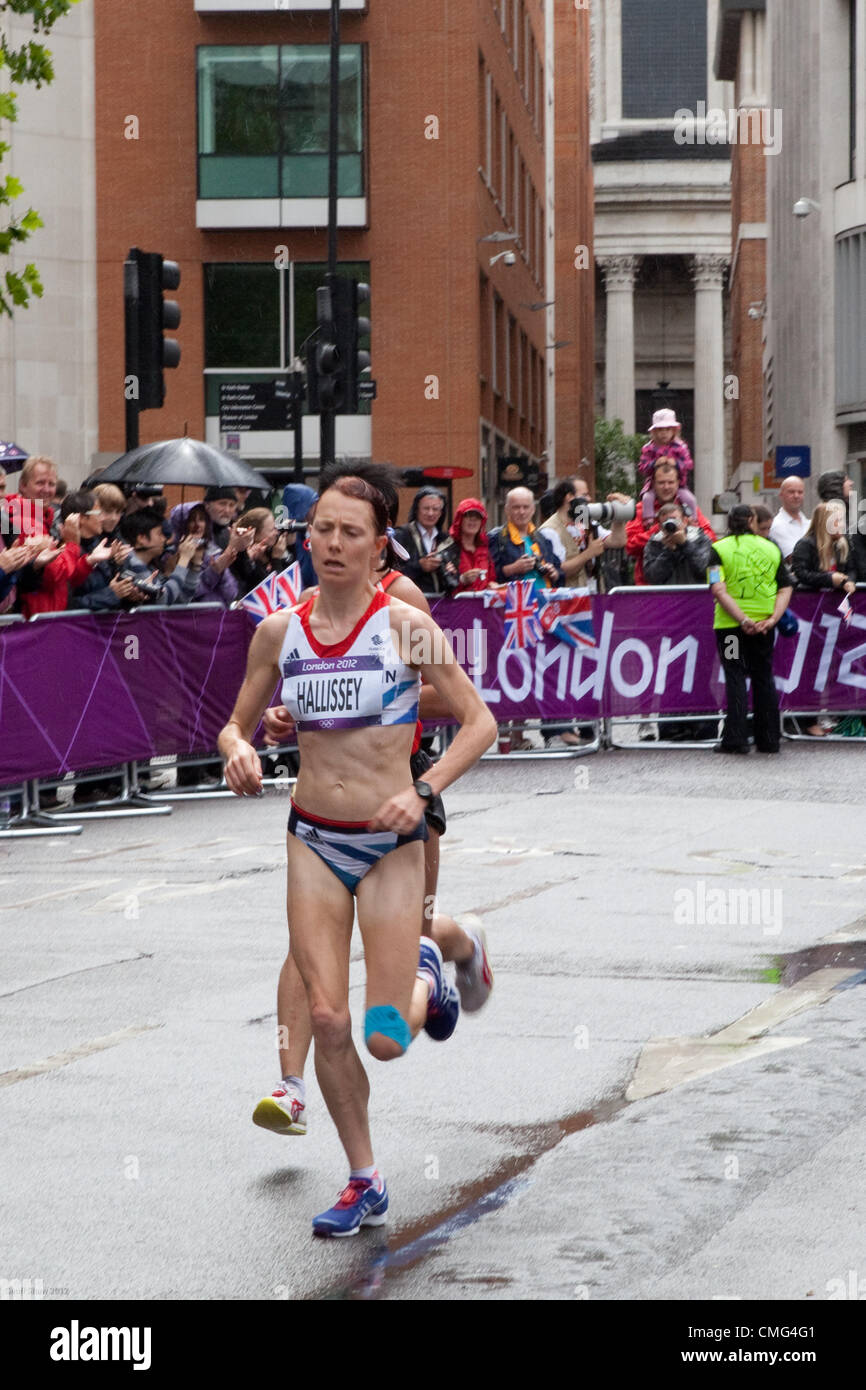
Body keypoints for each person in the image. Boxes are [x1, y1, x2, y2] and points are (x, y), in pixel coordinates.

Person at [218, 467, 497, 1236]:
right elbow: (231, 723)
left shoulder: (405, 623)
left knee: (382, 1037)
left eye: (351, 534)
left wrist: (426, 788)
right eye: (322, 531)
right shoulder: (280, 631)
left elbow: (480, 720)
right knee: (326, 1016)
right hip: (312, 838)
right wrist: (243, 745)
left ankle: (435, 973)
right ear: (306, 540)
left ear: (379, 549)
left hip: (391, 844)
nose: (333, 544)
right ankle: (364, 1179)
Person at [709, 504, 793, 756]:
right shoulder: (771, 548)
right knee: (763, 676)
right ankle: (768, 739)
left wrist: (742, 618)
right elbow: (785, 588)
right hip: (764, 626)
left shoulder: (717, 550)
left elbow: (718, 588)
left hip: (732, 628)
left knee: (735, 675)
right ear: (752, 521)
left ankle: (735, 739)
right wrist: (773, 619)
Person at [626, 458, 716, 584]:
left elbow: (711, 538)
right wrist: (659, 531)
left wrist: (688, 534)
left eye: (671, 482)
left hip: (690, 587)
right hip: (652, 588)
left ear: (678, 483)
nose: (666, 487)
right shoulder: (641, 510)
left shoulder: (689, 509)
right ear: (653, 484)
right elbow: (629, 545)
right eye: (661, 483)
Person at [489, 486, 564, 587]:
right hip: (514, 600)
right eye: (516, 507)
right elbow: (487, 576)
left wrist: (554, 573)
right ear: (507, 510)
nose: (522, 512)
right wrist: (513, 569)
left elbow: (560, 572)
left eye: (526, 507)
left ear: (533, 509)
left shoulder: (543, 539)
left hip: (545, 599)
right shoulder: (496, 538)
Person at [637, 409, 697, 525]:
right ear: (654, 432)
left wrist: (676, 463)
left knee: (690, 499)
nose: (664, 433)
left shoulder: (680, 447)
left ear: (674, 431)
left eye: (668, 429)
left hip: (679, 484)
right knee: (647, 498)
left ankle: (693, 520)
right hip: (653, 485)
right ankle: (648, 521)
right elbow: (642, 467)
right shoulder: (649, 448)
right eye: (660, 430)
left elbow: (688, 464)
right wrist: (655, 463)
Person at [393, 486, 450, 595]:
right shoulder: (402, 535)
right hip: (410, 602)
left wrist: (449, 571)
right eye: (426, 508)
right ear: (416, 510)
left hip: (441, 605)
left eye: (435, 509)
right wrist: (419, 566)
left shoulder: (446, 540)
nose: (430, 513)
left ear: (441, 513)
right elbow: (391, 572)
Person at [445, 497, 491, 592]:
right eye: (468, 515)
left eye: (478, 517)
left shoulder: (484, 548)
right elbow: (444, 584)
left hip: (482, 604)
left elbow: (491, 577)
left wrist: (491, 584)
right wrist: (462, 580)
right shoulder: (448, 548)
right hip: (457, 605)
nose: (473, 520)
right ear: (460, 519)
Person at [768, 477, 809, 563]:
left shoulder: (809, 523)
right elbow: (793, 558)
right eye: (791, 492)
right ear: (781, 495)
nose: (796, 496)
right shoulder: (777, 526)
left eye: (800, 492)